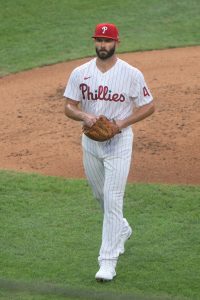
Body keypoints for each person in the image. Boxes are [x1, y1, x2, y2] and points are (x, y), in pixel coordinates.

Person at [63, 23, 155, 282]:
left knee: (113, 199)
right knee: (100, 196)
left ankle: (108, 261)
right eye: (99, 40)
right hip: (91, 144)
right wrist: (84, 115)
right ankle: (122, 229)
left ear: (117, 42)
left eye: (107, 40)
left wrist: (120, 124)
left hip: (120, 143)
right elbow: (68, 107)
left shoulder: (131, 74)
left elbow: (149, 106)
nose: (102, 45)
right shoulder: (80, 73)